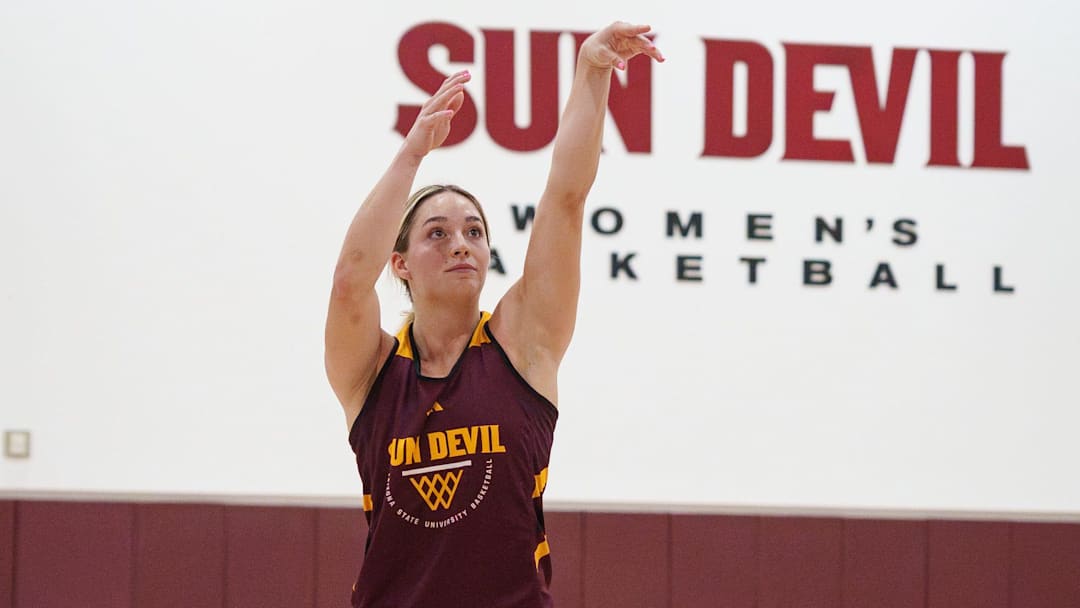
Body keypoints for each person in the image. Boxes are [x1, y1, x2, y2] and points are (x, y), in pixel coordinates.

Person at [324, 21, 664, 608]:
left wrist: (592, 70)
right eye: (438, 233)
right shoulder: (371, 373)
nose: (461, 244)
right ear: (400, 263)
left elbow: (565, 199)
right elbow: (352, 280)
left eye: (474, 231)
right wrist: (412, 154)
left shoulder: (522, 343)